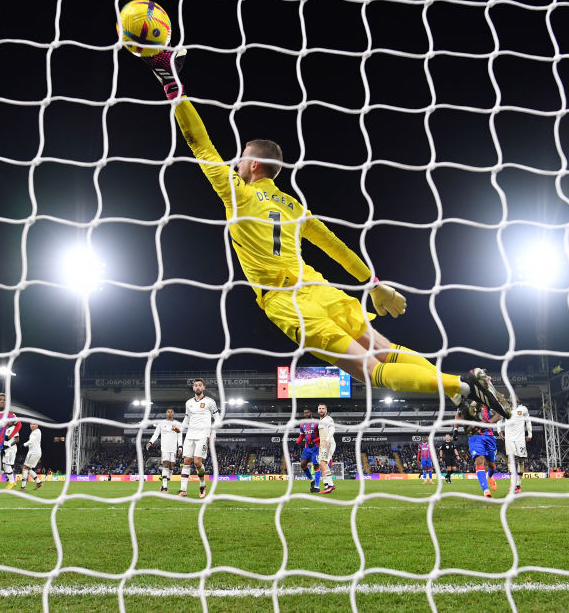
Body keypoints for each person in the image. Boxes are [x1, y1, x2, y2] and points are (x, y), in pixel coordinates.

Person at [135, 50, 511, 421]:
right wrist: (373, 283)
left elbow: (198, 142)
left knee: (373, 372)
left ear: (251, 165)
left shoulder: (238, 192)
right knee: (386, 350)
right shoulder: (294, 207)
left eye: (240, 158)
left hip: (287, 302)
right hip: (323, 290)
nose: (235, 162)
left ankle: (460, 385)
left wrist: (171, 84)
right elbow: (335, 245)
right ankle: (465, 386)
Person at [178, 379, 219, 498]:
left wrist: (214, 433)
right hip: (190, 434)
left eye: (200, 385)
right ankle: (183, 490)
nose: (197, 387)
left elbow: (217, 418)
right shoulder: (188, 403)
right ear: (193, 388)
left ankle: (202, 485)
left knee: (197, 463)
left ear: (204, 387)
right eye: (195, 385)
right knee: (186, 461)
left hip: (203, 435)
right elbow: (187, 418)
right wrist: (180, 429)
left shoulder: (210, 402)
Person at [457, 400, 502, 498]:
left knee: (491, 465)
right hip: (475, 436)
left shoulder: (485, 400)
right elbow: (458, 415)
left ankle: (489, 477)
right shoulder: (465, 402)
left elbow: (499, 415)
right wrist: (455, 429)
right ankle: (486, 490)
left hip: (489, 436)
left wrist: (488, 422)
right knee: (479, 461)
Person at [498, 395, 532, 494]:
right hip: (509, 438)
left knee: (521, 460)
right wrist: (499, 431)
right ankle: (512, 484)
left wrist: (529, 434)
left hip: (520, 439)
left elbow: (528, 421)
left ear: (518, 399)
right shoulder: (505, 409)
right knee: (510, 459)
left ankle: (518, 484)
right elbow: (499, 419)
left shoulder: (523, 409)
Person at [147, 408, 183, 493]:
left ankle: (164, 484)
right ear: (166, 413)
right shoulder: (161, 423)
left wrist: (180, 447)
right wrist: (150, 442)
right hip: (165, 448)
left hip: (173, 448)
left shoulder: (177, 423)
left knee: (171, 467)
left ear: (173, 414)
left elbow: (179, 436)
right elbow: (156, 434)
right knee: (165, 465)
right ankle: (165, 488)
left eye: (171, 412)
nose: (170, 413)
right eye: (168, 412)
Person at [295, 407, 320, 493]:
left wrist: (314, 441)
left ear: (311, 413)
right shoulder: (302, 424)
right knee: (302, 465)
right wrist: (297, 443)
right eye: (305, 413)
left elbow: (322, 435)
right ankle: (312, 479)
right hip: (307, 448)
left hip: (316, 448)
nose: (306, 414)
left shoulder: (317, 423)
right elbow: (301, 435)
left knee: (316, 465)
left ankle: (317, 486)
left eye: (308, 412)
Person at [316, 403, 337, 494]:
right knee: (321, 465)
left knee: (323, 463)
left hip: (328, 444)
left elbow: (332, 429)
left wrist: (327, 440)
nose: (321, 410)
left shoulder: (328, 419)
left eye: (323, 408)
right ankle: (326, 486)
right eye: (320, 408)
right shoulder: (321, 421)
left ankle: (331, 485)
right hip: (322, 445)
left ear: (326, 410)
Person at [20, 423, 44, 490]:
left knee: (25, 468)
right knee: (28, 468)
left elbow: (32, 440)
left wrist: (24, 444)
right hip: (33, 452)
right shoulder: (34, 432)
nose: (32, 425)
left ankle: (23, 487)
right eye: (31, 424)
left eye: (34, 424)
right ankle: (39, 482)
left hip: (34, 452)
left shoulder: (37, 431)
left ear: (37, 425)